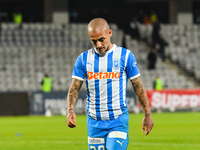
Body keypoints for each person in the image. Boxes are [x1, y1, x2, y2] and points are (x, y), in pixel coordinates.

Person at [66, 18, 154, 150]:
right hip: (94, 123)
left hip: (117, 121)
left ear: (110, 33)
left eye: (101, 39)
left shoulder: (125, 56)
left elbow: (138, 86)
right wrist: (70, 110)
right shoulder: (83, 59)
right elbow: (74, 87)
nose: (98, 44)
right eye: (94, 41)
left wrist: (147, 114)